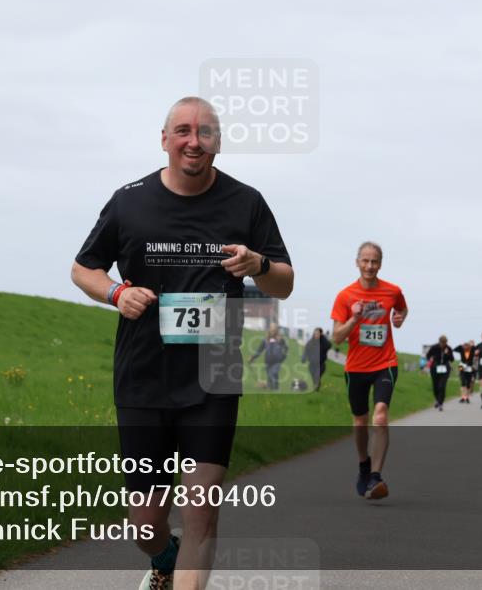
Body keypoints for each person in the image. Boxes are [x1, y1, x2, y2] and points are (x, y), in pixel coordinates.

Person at [71, 97, 294, 590]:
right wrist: (116, 293)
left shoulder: (246, 202)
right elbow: (83, 268)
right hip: (143, 375)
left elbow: (283, 283)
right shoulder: (130, 201)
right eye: (184, 131)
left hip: (213, 374)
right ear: (166, 139)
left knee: (202, 511)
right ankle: (163, 557)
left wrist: (258, 265)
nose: (195, 141)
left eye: (206, 131)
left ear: (218, 140)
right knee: (145, 522)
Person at [331, 241, 408, 500]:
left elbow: (402, 308)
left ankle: (375, 476)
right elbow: (336, 337)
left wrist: (399, 319)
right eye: (365, 260)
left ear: (380, 264)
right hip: (356, 367)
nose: (369, 266)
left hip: (385, 362)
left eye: (374, 261)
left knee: (381, 415)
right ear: (357, 262)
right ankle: (364, 463)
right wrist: (354, 318)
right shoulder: (345, 296)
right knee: (361, 421)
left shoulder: (392, 291)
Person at [250, 323, 288, 391]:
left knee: (273, 373)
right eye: (271, 330)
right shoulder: (265, 340)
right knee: (270, 377)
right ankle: (273, 390)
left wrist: (282, 357)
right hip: (268, 361)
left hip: (277, 361)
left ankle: (276, 389)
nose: (272, 331)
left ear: (276, 331)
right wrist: (253, 357)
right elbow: (260, 350)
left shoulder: (280, 340)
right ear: (269, 330)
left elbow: (286, 349)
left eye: (274, 330)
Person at [425, 335, 454, 411]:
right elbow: (428, 355)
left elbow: (452, 359)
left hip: (445, 368)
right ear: (439, 342)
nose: (443, 344)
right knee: (435, 385)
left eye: (444, 343)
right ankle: (437, 400)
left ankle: (441, 403)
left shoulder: (448, 348)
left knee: (442, 386)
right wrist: (430, 359)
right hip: (435, 368)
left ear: (446, 342)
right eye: (441, 343)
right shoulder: (434, 347)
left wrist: (447, 354)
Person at [301, 326, 331, 391]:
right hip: (312, 364)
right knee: (314, 377)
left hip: (321, 364)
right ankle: (316, 385)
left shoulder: (323, 342)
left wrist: (323, 337)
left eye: (318, 334)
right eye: (315, 333)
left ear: (320, 334)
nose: (316, 335)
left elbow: (329, 346)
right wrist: (303, 358)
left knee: (317, 376)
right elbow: (306, 350)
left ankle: (316, 387)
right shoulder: (311, 342)